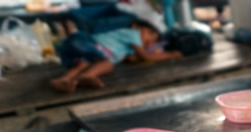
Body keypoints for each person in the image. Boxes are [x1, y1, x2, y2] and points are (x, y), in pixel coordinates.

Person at [50, 20, 183, 93]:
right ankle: (87, 76)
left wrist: (151, 54)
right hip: (84, 41)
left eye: (153, 42)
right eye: (150, 33)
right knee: (106, 64)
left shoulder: (128, 49)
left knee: (83, 64)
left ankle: (63, 80)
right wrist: (171, 55)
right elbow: (145, 56)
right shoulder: (132, 33)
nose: (149, 42)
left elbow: (134, 59)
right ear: (136, 26)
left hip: (82, 50)